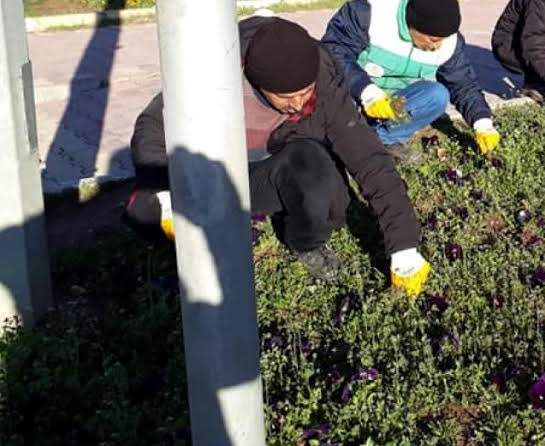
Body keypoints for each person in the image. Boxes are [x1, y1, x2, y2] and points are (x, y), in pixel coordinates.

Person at [123, 15, 431, 295]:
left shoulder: (323, 79)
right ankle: (182, 263)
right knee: (146, 210)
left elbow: (369, 159)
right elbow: (153, 124)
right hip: (214, 170)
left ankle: (303, 242)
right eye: (285, 98)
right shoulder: (215, 70)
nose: (298, 105)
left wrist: (404, 248)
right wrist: (162, 189)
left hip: (270, 169)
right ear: (257, 83)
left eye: (305, 93)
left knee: (324, 192)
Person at [320, 0, 499, 164]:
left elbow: (463, 84)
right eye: (433, 40)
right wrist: (367, 92)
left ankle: (382, 139)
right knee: (333, 95)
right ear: (414, 25)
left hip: (396, 102)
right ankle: (342, 138)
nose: (438, 47)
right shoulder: (367, 13)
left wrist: (482, 123)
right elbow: (334, 54)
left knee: (437, 95)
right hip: (356, 92)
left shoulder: (449, 42)